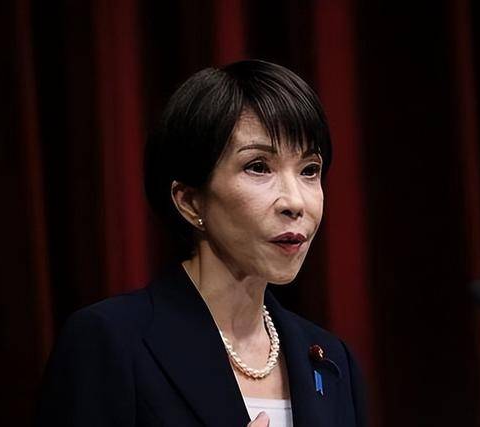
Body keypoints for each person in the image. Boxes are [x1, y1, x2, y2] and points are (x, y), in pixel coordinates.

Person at [35, 59, 366, 427]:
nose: (295, 202)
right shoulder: (109, 341)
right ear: (190, 201)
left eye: (309, 170)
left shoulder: (332, 361)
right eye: (258, 166)